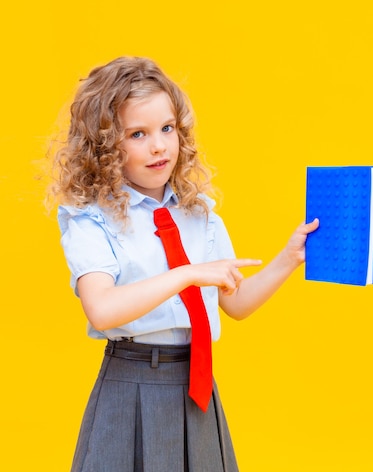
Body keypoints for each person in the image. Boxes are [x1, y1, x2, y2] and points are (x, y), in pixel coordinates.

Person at [49, 56, 319, 472]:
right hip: (132, 383)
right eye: (137, 134)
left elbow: (237, 303)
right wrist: (186, 274)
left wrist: (289, 258)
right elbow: (102, 310)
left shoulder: (200, 215)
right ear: (104, 145)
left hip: (195, 386)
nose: (159, 146)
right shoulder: (91, 219)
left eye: (167, 128)